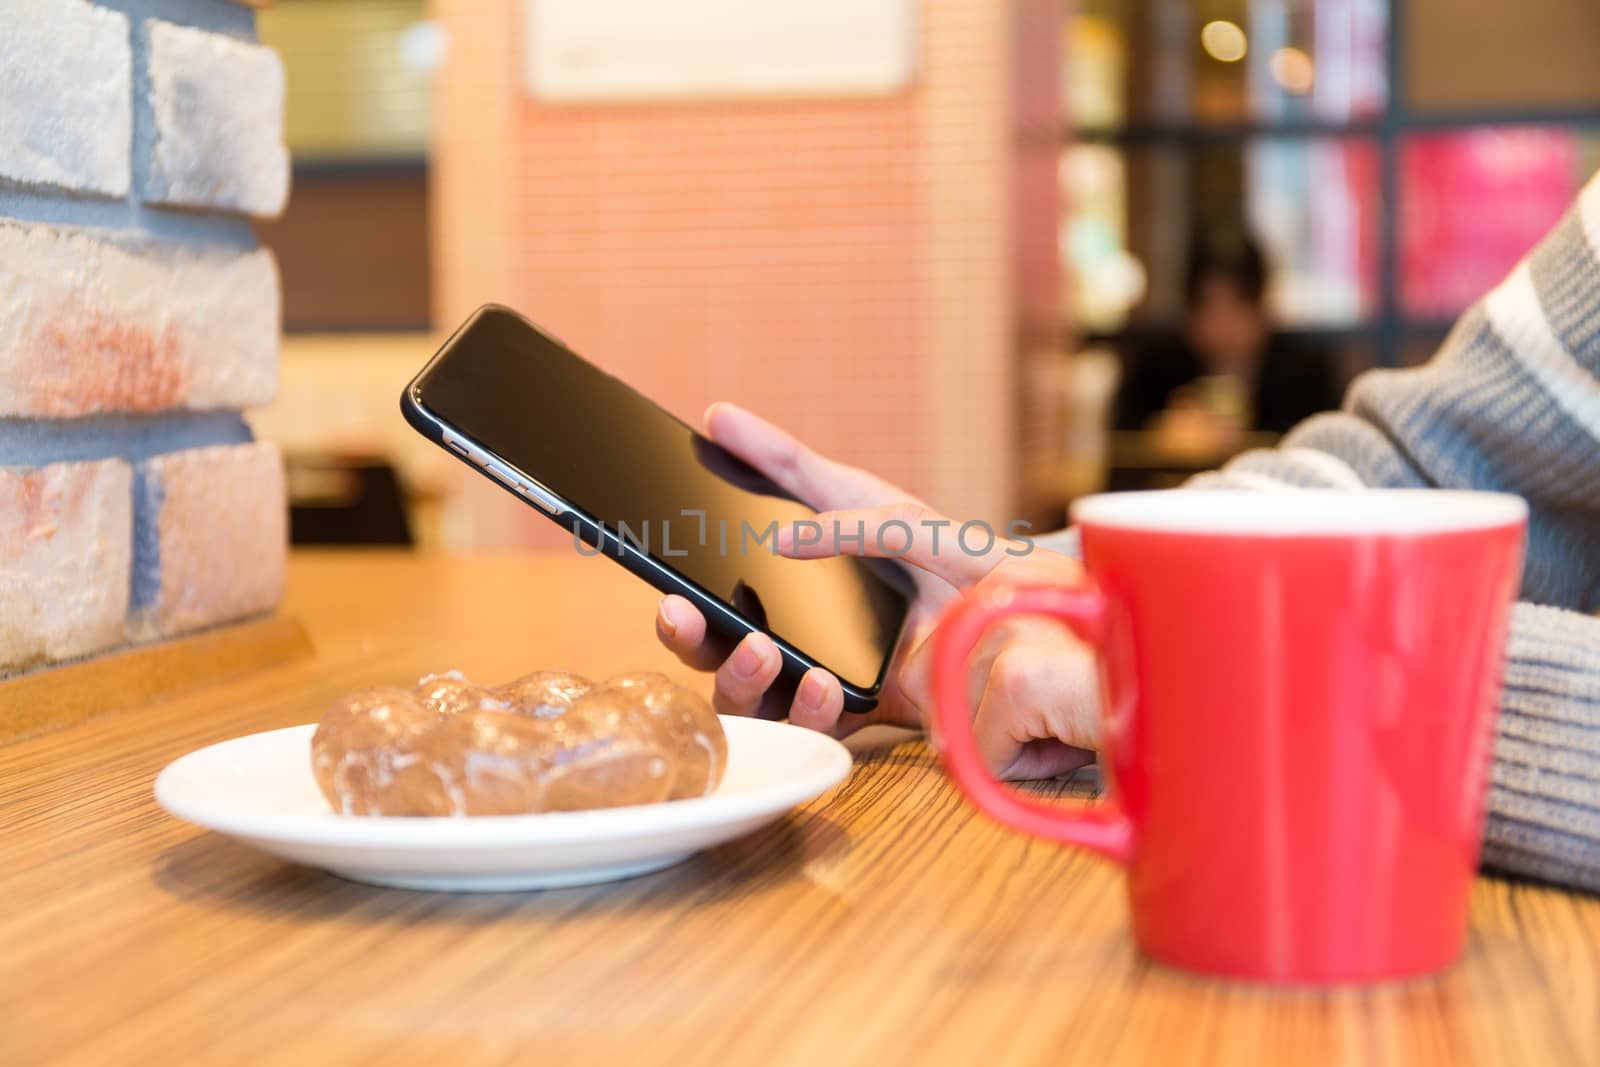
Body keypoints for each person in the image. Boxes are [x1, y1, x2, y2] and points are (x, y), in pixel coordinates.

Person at [653, 175, 1600, 894]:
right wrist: (1050, 589)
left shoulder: (1298, 364)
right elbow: (1420, 467)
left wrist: (1221, 667)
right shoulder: (1160, 364)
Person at [1112, 228, 1344, 457]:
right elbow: (1120, 446)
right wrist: (1160, 434)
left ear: (1263, 307)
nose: (1222, 324)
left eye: (1237, 305)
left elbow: (1328, 452)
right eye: (1207, 307)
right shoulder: (1155, 369)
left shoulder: (1306, 372)